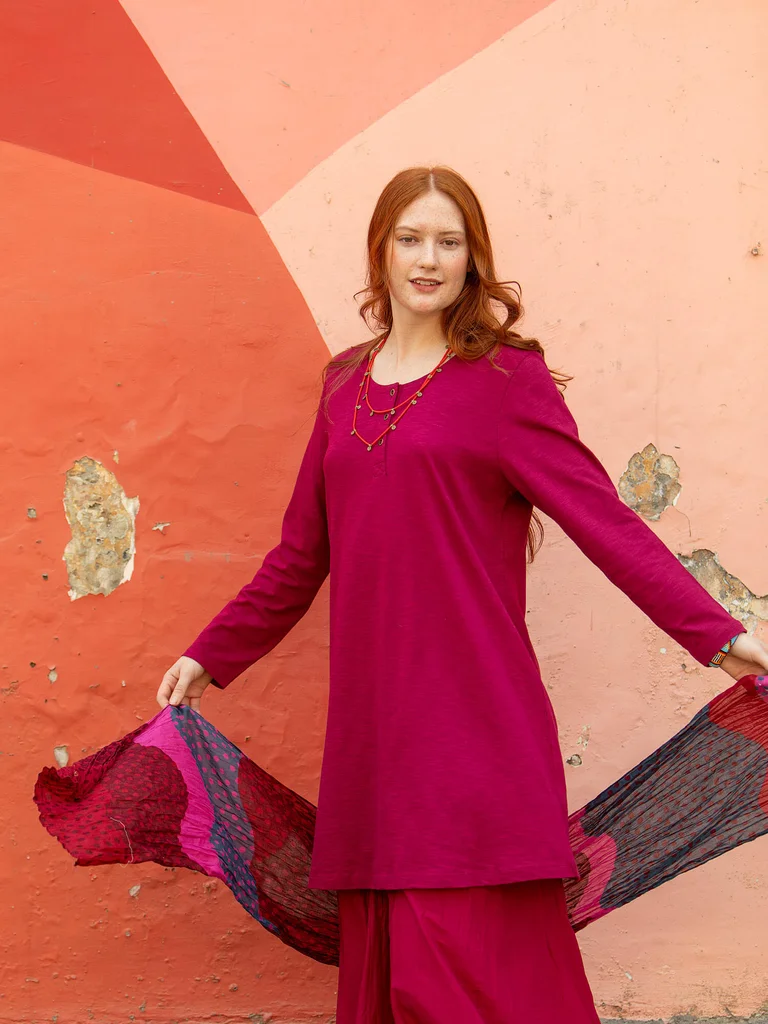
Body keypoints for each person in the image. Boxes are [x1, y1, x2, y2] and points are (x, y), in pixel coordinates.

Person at [156, 166, 768, 1023]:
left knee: (475, 983)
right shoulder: (343, 386)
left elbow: (604, 523)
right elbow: (301, 556)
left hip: (475, 728)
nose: (429, 258)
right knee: (393, 982)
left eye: (449, 241)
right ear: (382, 249)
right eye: (411, 238)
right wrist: (210, 655)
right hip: (375, 733)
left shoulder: (503, 381)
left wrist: (716, 635)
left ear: (473, 258)